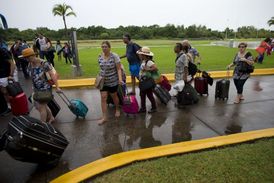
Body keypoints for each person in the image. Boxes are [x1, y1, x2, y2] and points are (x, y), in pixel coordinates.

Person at [18, 48, 61, 123]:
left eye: (26, 57)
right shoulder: (30, 64)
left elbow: (53, 75)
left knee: (41, 108)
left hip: (45, 89)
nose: (26, 59)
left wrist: (57, 87)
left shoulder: (44, 64)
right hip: (36, 89)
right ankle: (51, 117)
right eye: (25, 58)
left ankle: (42, 125)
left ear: (32, 56)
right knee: (43, 106)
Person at [97, 41, 123, 124]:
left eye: (105, 47)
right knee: (103, 97)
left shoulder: (114, 56)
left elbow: (119, 68)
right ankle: (104, 117)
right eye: (103, 47)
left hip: (113, 81)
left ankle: (117, 109)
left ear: (109, 47)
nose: (104, 48)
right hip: (103, 81)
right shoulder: (100, 56)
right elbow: (101, 68)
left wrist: (120, 79)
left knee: (114, 96)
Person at [137, 47, 157, 113]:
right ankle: (143, 108)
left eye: (141, 54)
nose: (140, 55)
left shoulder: (149, 62)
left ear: (144, 55)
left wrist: (147, 69)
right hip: (143, 81)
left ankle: (153, 108)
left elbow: (155, 68)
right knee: (142, 95)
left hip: (146, 82)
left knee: (149, 95)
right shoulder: (144, 61)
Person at [0, 38, 15, 116]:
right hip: (1, 76)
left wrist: (10, 75)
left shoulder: (3, 51)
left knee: (6, 92)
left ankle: (11, 107)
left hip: (4, 75)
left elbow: (12, 63)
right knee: (3, 93)